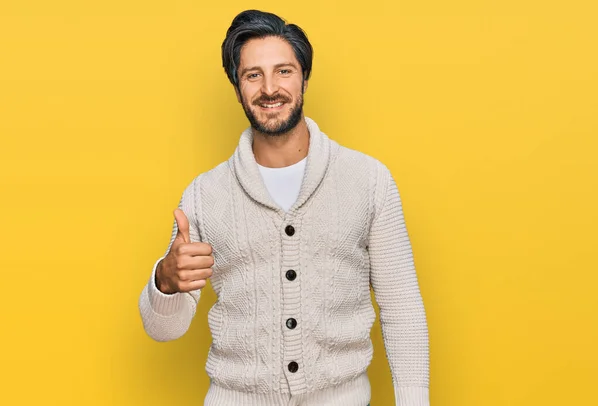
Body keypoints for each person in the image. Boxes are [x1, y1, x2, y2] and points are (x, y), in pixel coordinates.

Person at [138, 9, 430, 406]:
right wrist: (165, 282)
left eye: (284, 71)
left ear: (304, 78)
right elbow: (163, 329)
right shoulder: (204, 195)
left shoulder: (369, 181)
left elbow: (403, 309)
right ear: (237, 87)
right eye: (252, 75)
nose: (269, 88)